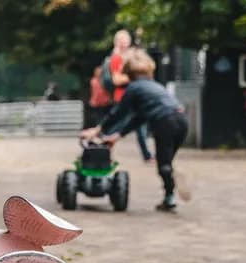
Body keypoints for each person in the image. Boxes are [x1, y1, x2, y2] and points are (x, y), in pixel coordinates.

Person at [81, 49, 190, 212]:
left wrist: (99, 130)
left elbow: (118, 113)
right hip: (181, 120)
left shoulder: (133, 88)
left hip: (165, 123)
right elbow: (139, 118)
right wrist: (117, 136)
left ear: (128, 73)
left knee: (163, 164)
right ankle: (170, 175)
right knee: (165, 162)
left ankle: (169, 198)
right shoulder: (155, 86)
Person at [103, 29, 153, 162]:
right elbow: (116, 80)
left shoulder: (132, 57)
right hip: (123, 97)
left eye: (126, 40)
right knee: (117, 126)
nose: (124, 43)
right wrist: (134, 76)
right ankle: (104, 149)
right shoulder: (116, 58)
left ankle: (147, 155)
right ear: (116, 42)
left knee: (140, 125)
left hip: (136, 96)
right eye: (121, 41)